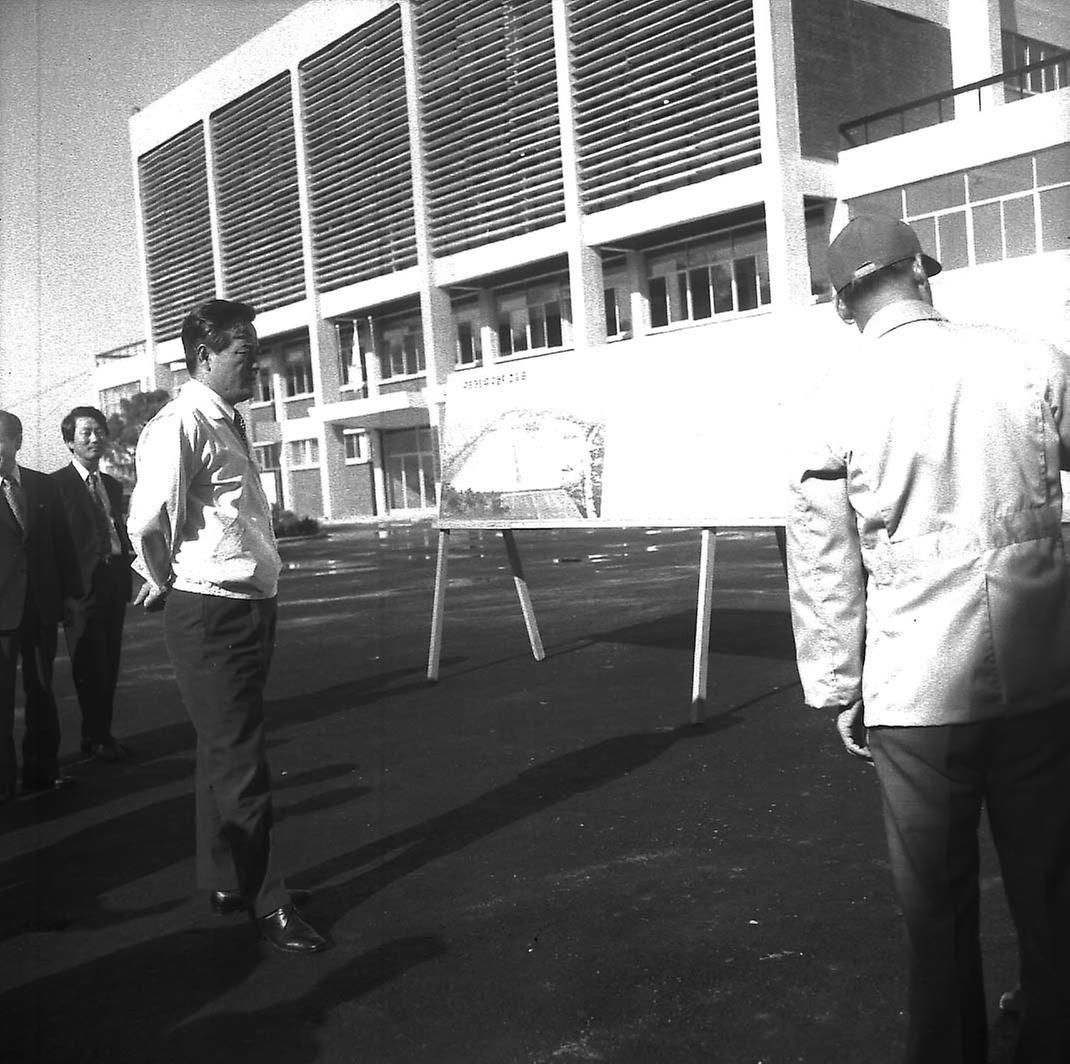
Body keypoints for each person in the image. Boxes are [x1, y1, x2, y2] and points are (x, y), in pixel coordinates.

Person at [785, 214, 1070, 1064]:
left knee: (935, 906)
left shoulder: (831, 400)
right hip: (1045, 669)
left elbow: (824, 557)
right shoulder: (1029, 357)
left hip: (917, 687)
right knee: (1053, 886)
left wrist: (838, 685)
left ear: (843, 306)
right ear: (921, 271)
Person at [127, 298, 328, 954]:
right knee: (243, 760)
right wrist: (165, 581)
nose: (256, 363)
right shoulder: (180, 424)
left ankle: (223, 878)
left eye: (254, 350)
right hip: (211, 610)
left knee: (224, 749)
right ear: (203, 357)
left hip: (247, 603)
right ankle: (268, 902)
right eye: (243, 352)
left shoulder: (229, 419)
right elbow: (148, 521)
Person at [0, 410, 83, 799]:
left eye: (1, 439)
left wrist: (69, 594)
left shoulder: (41, 486)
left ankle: (42, 771)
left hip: (40, 607)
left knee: (42, 691)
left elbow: (62, 543)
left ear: (17, 442)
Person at [52, 407, 134, 763]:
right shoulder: (55, 486)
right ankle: (95, 736)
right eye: (85, 433)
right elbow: (53, 544)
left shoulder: (112, 485)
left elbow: (118, 529)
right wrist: (62, 594)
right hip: (80, 590)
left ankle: (101, 734)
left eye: (99, 431)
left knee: (110, 661)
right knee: (88, 664)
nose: (94, 438)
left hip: (113, 582)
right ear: (70, 442)